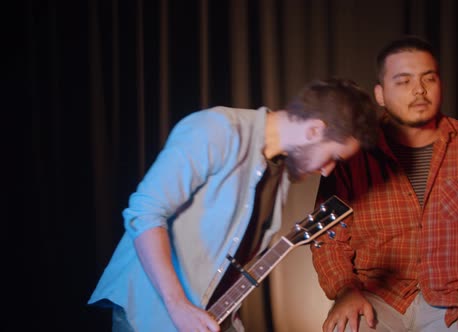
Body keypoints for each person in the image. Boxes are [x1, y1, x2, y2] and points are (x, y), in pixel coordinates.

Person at [88, 78, 378, 332]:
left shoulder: (279, 171)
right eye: (334, 158)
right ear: (314, 130)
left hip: (209, 315)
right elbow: (145, 213)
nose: (328, 171)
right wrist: (177, 305)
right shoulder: (216, 130)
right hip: (152, 313)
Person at [310, 36, 458, 332]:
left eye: (428, 79)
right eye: (403, 81)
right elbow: (327, 238)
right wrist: (345, 291)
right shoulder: (352, 152)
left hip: (452, 300)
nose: (419, 90)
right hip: (375, 298)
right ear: (380, 94)